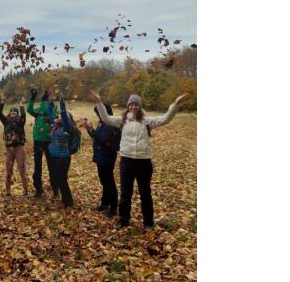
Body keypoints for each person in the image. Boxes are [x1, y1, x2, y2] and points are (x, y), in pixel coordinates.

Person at [90, 91, 188, 231]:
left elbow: (165, 119)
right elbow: (106, 118)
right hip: (126, 161)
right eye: (131, 104)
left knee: (145, 193)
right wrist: (99, 103)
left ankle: (148, 222)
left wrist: (175, 105)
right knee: (125, 193)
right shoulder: (122, 120)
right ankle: (124, 219)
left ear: (139, 106)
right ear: (128, 106)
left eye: (136, 104)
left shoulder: (147, 121)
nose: (134, 107)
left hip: (144, 162)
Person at [81, 104, 121, 217]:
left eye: (99, 113)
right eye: (97, 113)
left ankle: (113, 208)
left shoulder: (111, 124)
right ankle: (105, 203)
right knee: (104, 182)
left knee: (109, 182)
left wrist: (91, 129)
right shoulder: (103, 123)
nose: (98, 115)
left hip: (107, 157)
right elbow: (96, 137)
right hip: (101, 156)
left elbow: (103, 138)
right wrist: (90, 129)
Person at [46, 96, 75, 207]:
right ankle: (65, 200)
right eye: (57, 116)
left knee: (62, 179)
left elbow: (63, 115)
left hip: (63, 158)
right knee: (58, 179)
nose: (58, 117)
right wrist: (50, 102)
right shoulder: (56, 126)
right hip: (54, 157)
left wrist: (62, 103)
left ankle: (68, 202)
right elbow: (50, 114)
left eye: (60, 116)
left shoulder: (67, 127)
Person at [0, 94, 29, 196]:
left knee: (22, 170)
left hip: (19, 148)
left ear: (17, 114)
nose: (12, 113)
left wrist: (21, 105)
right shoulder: (6, 122)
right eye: (11, 111)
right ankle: (8, 193)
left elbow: (24, 116)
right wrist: (2, 101)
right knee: (8, 172)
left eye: (15, 112)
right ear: (9, 113)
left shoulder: (20, 122)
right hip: (9, 149)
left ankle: (26, 192)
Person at [26, 89, 53, 197]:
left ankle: (55, 186)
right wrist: (32, 98)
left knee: (51, 165)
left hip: (49, 140)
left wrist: (45, 100)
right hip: (38, 140)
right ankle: (38, 188)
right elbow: (29, 109)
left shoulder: (51, 109)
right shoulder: (38, 111)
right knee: (38, 165)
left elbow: (48, 111)